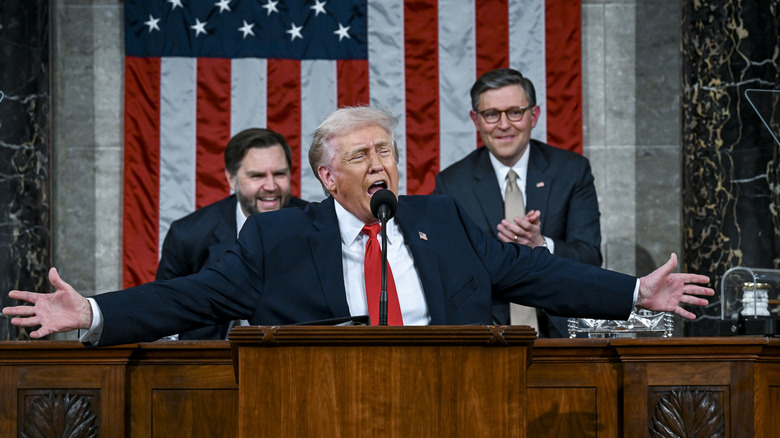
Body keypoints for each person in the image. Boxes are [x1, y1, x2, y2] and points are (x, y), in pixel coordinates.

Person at [3, 106, 713, 347]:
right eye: (363, 155)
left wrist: (631, 294)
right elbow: (187, 298)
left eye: (388, 151)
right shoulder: (278, 238)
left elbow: (535, 274)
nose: (382, 164)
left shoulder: (445, 218)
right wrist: (93, 311)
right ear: (326, 176)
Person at [434, 68, 601, 337]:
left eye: (515, 112)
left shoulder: (571, 171)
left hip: (561, 331)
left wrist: (541, 246)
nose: (503, 125)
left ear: (533, 116)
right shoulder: (451, 184)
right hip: (486, 334)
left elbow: (591, 257)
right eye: (491, 114)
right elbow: (446, 271)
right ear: (475, 120)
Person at [156, 128, 308, 340]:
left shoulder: (317, 225)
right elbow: (164, 312)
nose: (271, 186)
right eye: (257, 176)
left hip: (295, 357)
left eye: (280, 174)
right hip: (211, 361)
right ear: (231, 179)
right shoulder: (188, 235)